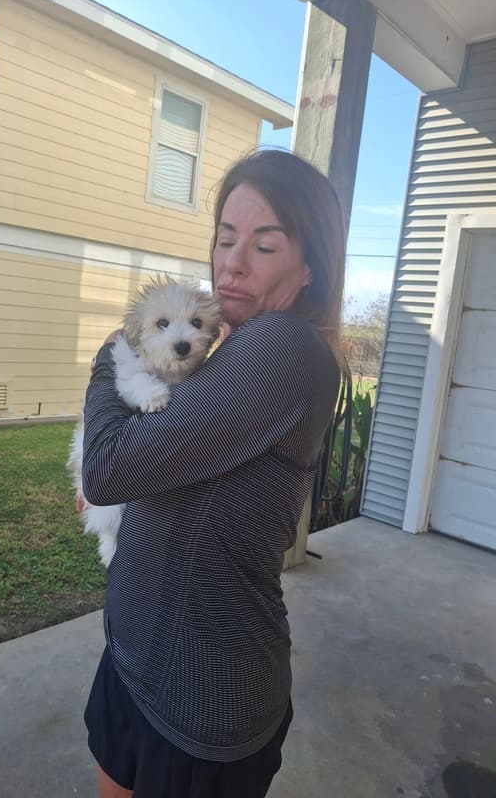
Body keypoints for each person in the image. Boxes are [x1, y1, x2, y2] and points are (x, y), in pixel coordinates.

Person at [81, 149, 346, 798]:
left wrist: (118, 346)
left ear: (310, 267)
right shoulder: (233, 347)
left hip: (202, 700)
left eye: (264, 245)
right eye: (225, 238)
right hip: (135, 662)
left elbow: (110, 467)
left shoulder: (283, 345)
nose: (230, 261)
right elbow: (167, 465)